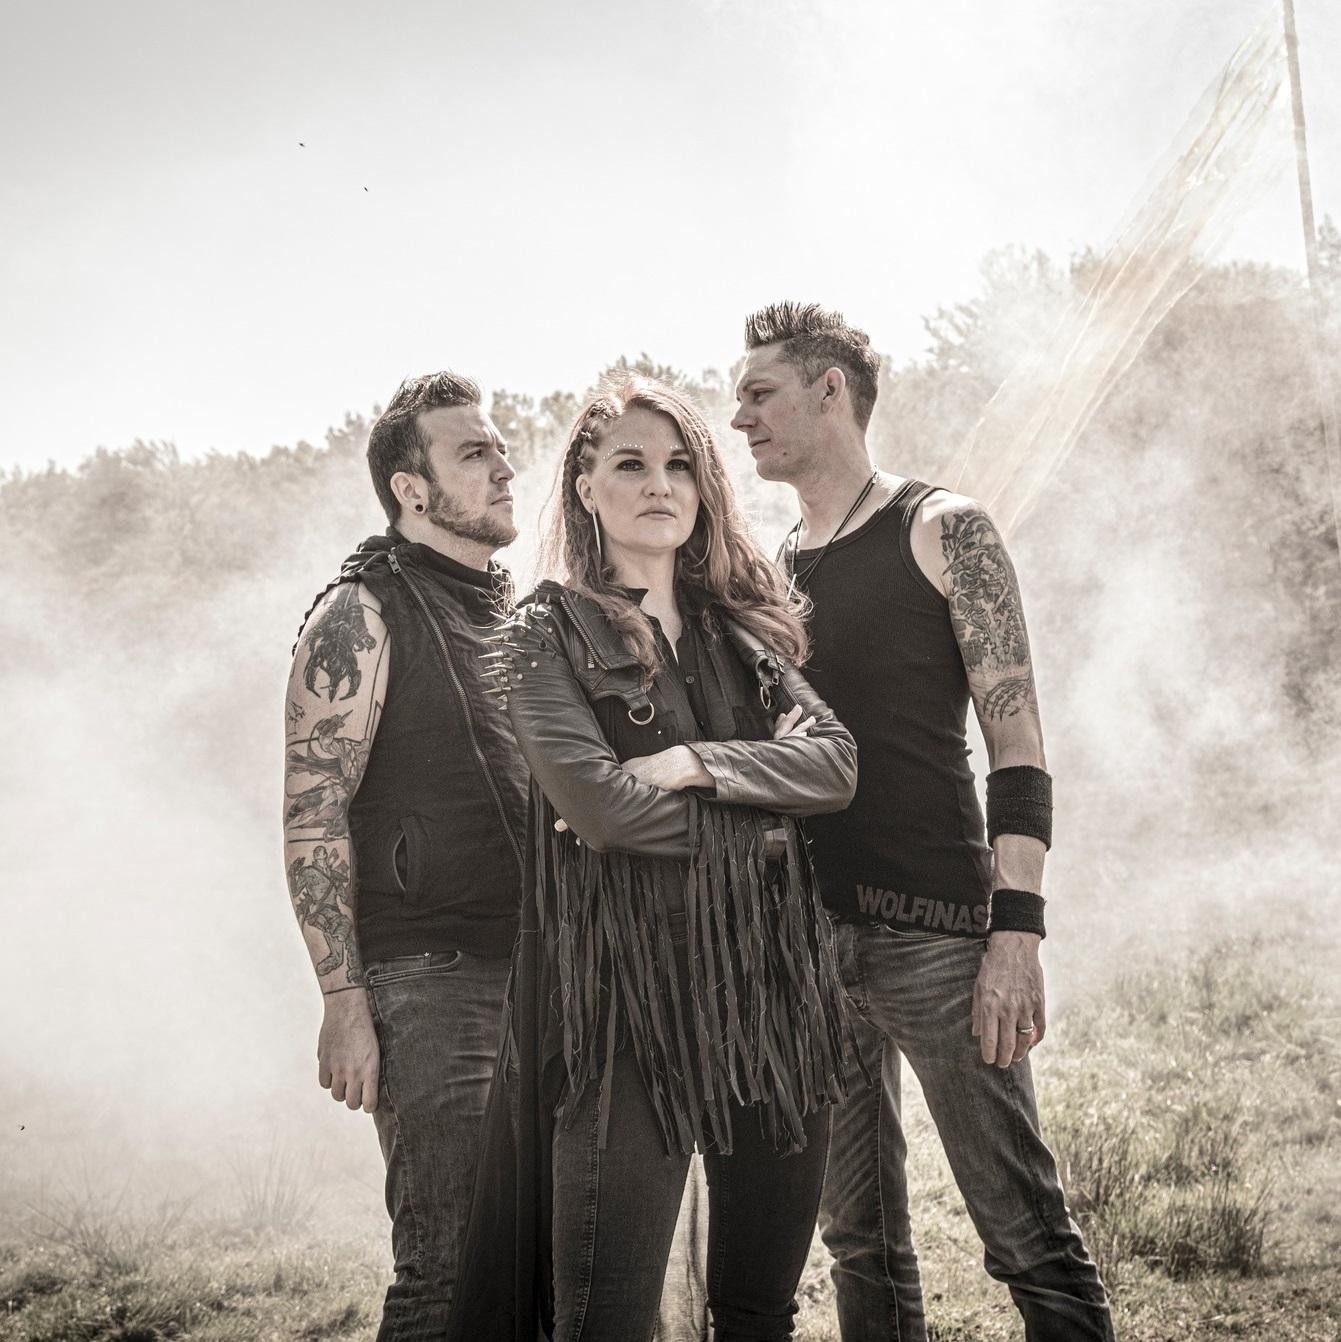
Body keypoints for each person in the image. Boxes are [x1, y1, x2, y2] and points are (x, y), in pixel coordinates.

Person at [731, 303, 1115, 1342]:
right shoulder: (773, 567)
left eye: (760, 393)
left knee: (1025, 1235)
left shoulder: (943, 528)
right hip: (812, 949)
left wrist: (1015, 934)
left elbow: (1018, 743)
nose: (739, 418)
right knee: (859, 1242)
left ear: (830, 390)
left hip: (939, 938)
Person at [449, 375, 858, 1342]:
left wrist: (697, 763)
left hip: (771, 994)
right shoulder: (542, 632)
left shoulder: (741, 629)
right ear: (584, 487)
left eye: (679, 465)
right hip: (627, 1006)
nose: (659, 485)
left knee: (759, 1313)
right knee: (606, 1319)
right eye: (629, 464)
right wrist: (769, 821)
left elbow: (837, 764)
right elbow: (602, 809)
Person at [282, 370, 528, 1341]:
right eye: (474, 452)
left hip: (534, 971)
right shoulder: (358, 613)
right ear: (411, 489)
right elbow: (312, 814)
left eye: (500, 446)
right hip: (428, 983)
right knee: (447, 1271)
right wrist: (343, 1001)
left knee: (537, 1270)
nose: (504, 465)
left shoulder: (509, 608)